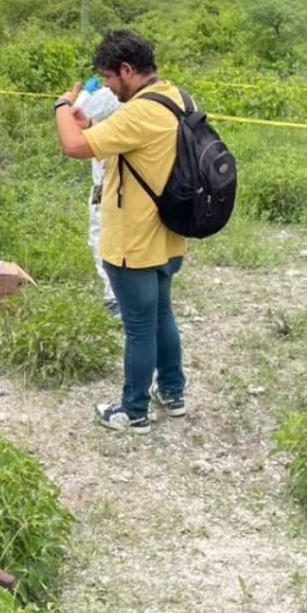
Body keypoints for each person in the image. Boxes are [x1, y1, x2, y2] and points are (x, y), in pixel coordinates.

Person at [55, 30, 188, 435]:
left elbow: (73, 146)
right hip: (168, 235)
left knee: (139, 326)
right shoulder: (174, 97)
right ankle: (173, 393)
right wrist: (91, 120)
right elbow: (132, 142)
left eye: (110, 78)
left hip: (134, 241)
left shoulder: (137, 112)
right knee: (162, 314)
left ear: (127, 69)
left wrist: (63, 106)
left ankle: (133, 411)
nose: (109, 88)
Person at [73, 75, 121, 317]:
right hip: (130, 182)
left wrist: (82, 94)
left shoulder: (107, 96)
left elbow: (73, 116)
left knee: (100, 237)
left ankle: (114, 297)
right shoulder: (144, 99)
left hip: (105, 180)